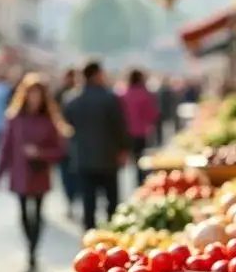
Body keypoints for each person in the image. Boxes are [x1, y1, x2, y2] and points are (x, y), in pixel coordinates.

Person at [0, 73, 71, 272]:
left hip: (39, 173)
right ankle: (29, 246)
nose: (34, 99)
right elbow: (6, 146)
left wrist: (41, 153)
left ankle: (33, 251)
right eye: (31, 94)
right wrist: (0, 172)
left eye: (38, 95)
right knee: (23, 213)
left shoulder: (49, 120)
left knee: (37, 212)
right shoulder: (14, 118)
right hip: (20, 172)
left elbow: (60, 151)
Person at [63, 62, 129, 231]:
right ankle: (114, 233)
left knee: (88, 202)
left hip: (83, 158)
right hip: (108, 156)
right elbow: (119, 126)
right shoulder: (109, 98)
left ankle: (90, 235)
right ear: (96, 75)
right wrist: (122, 150)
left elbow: (67, 127)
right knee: (112, 201)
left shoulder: (72, 100)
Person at [121, 69, 159, 187]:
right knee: (142, 160)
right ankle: (141, 182)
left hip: (127, 132)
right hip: (142, 132)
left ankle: (137, 182)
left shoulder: (123, 94)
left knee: (134, 159)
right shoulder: (145, 94)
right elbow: (152, 114)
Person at [55, 68, 80, 217]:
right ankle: (70, 201)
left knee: (73, 176)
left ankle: (73, 200)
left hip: (74, 143)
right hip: (65, 143)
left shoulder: (77, 96)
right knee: (67, 176)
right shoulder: (60, 95)